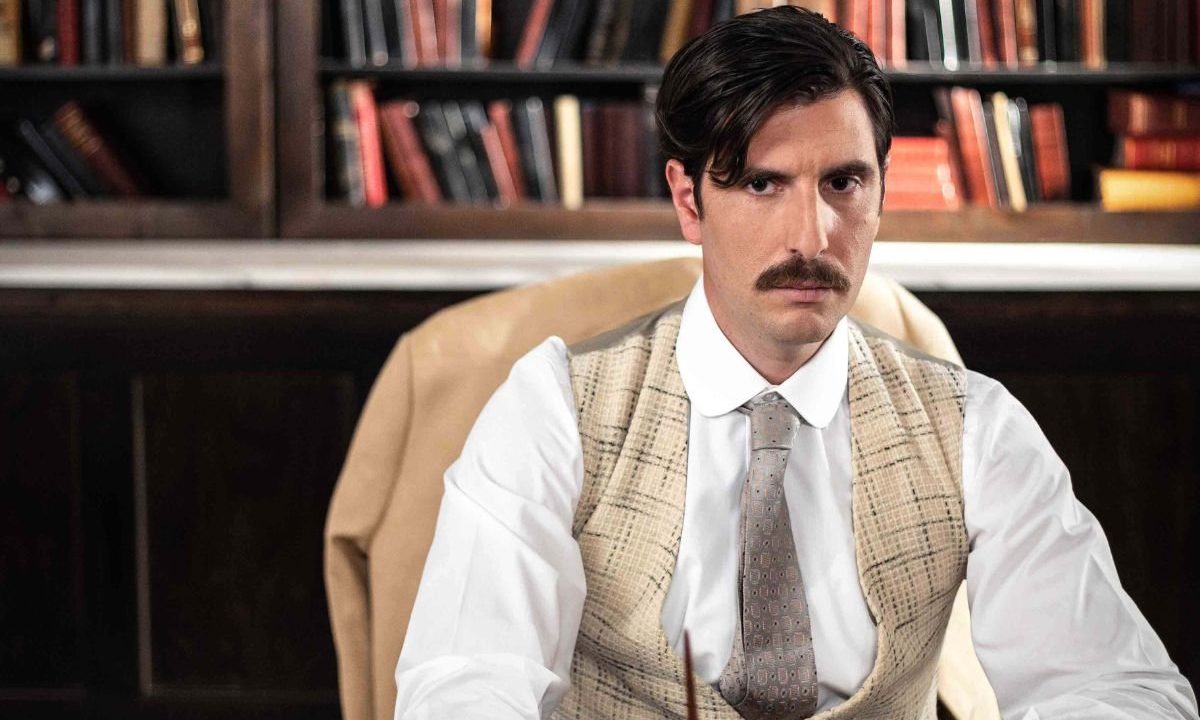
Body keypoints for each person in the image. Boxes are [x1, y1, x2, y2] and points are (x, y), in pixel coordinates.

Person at [392, 7, 1197, 719]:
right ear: (689, 200)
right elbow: (464, 685)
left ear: (881, 192)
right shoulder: (553, 409)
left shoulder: (975, 427)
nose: (811, 237)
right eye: (762, 184)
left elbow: (1116, 687)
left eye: (843, 182)